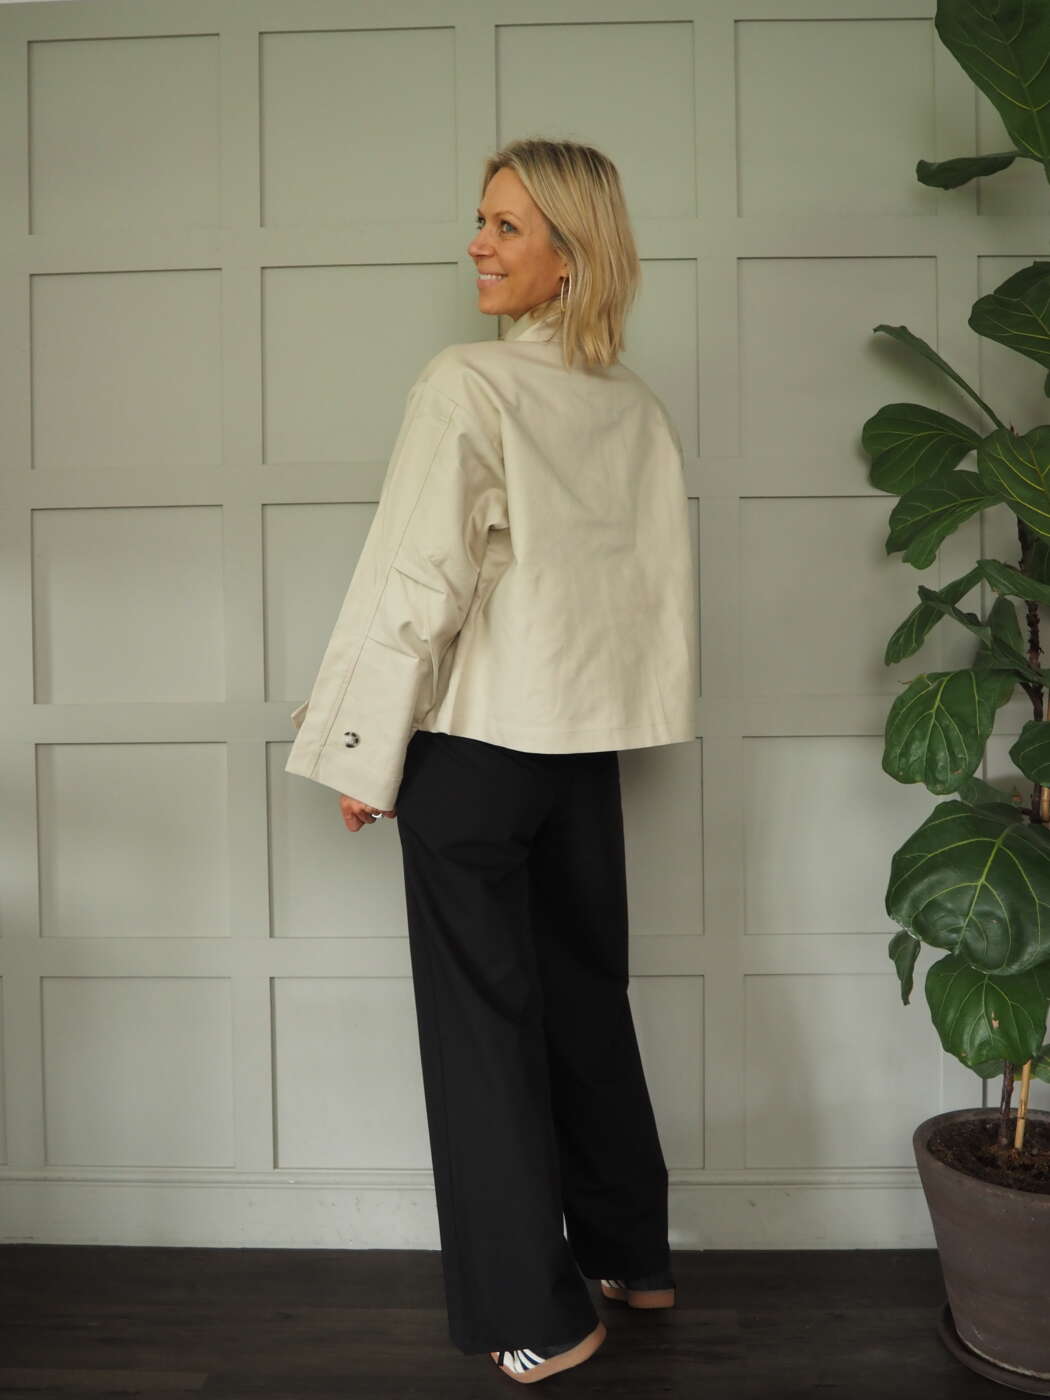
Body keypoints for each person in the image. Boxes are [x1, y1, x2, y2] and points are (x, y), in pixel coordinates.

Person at [285, 138, 698, 1384]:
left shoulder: (467, 383)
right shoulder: (635, 408)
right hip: (582, 750)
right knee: (585, 1000)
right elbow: (646, 598)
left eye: (509, 225)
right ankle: (633, 1253)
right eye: (483, 218)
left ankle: (542, 1309)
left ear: (572, 255)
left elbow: (420, 578)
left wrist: (368, 749)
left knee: (484, 1033)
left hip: (475, 751)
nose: (477, 242)